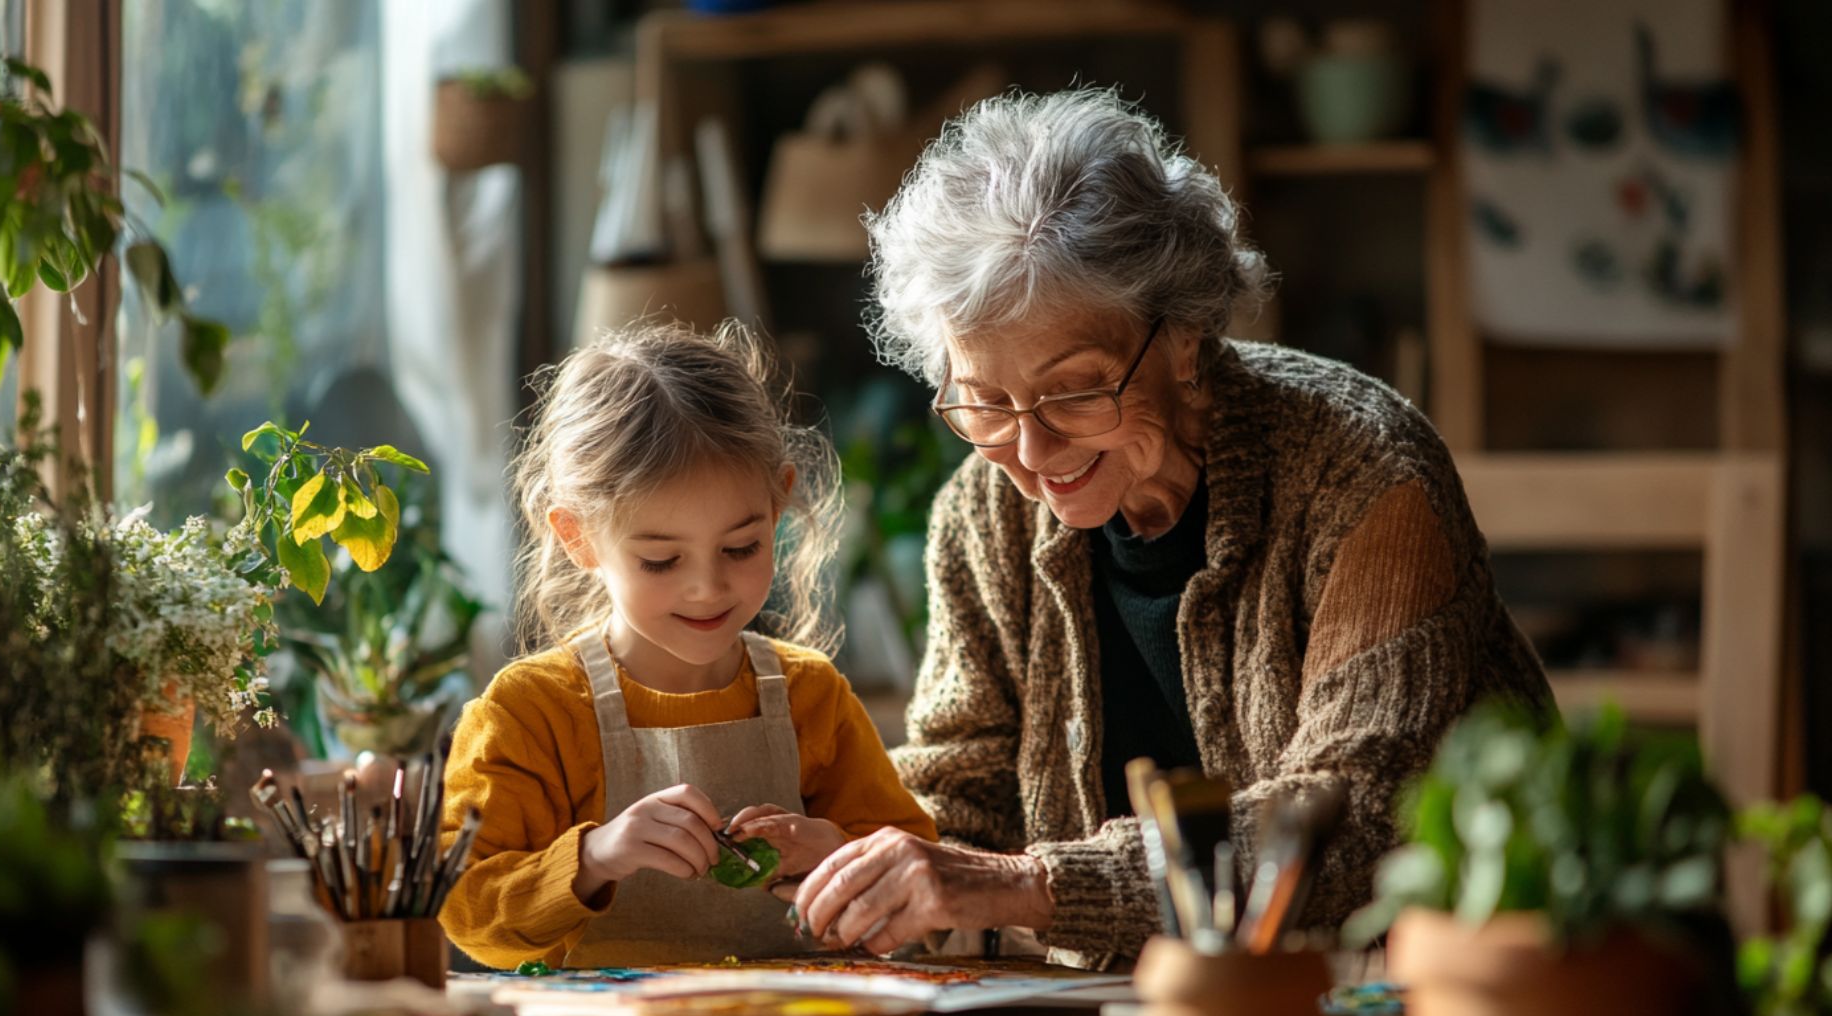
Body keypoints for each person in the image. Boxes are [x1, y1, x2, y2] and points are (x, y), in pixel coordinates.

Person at [785, 88, 1552, 969]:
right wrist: (857, 856)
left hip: (1427, 997)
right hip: (1126, 1014)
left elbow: (1354, 819)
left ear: (1184, 337)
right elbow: (969, 794)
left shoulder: (1364, 475)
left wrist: (1034, 884)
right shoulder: (982, 511)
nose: (1030, 450)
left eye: (1076, 390)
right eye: (986, 402)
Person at [438, 322, 937, 969]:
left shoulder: (811, 695)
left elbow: (918, 878)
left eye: (740, 548)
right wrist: (596, 857)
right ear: (578, 537)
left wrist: (837, 851)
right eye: (661, 560)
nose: (707, 588)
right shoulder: (529, 712)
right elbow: (467, 911)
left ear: (780, 502)